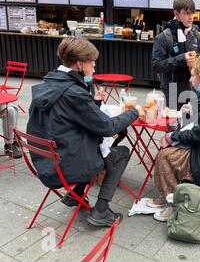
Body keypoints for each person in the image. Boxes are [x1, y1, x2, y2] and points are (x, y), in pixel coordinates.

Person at [27, 37, 140, 227]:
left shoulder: (48, 84)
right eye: (92, 61)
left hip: (47, 161)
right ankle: (101, 211)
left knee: (107, 143)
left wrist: (93, 102)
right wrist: (134, 112)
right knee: (121, 153)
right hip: (66, 165)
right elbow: (107, 127)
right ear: (80, 64)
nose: (94, 65)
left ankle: (76, 194)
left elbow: (69, 118)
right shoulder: (73, 92)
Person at [147, 56, 200, 222]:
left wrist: (172, 136)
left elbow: (197, 134)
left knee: (165, 155)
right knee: (168, 147)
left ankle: (173, 203)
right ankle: (167, 196)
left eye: (193, 75)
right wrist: (193, 113)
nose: (190, 78)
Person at [152, 0, 200, 110]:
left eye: (192, 13)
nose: (191, 17)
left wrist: (198, 62)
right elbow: (156, 66)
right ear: (176, 13)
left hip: (193, 89)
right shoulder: (163, 37)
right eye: (187, 13)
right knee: (174, 126)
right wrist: (181, 59)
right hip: (172, 91)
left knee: (191, 125)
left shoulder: (195, 35)